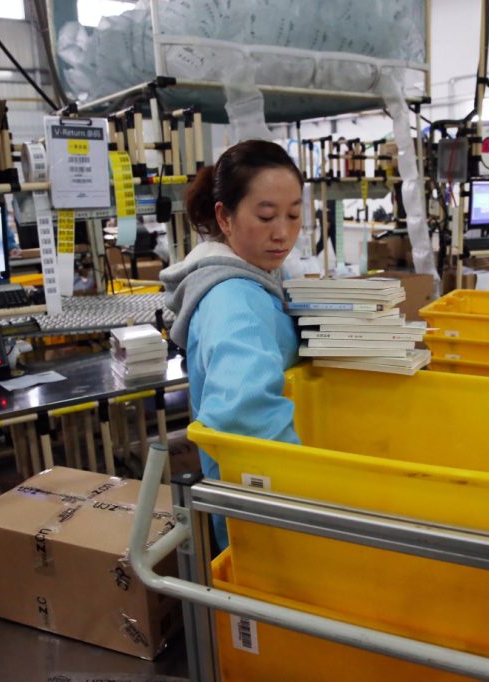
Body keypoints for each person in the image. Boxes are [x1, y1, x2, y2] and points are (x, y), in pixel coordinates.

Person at [160, 140, 304, 550]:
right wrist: (318, 489)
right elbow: (245, 414)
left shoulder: (264, 276)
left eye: (294, 215)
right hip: (266, 507)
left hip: (265, 497)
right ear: (224, 216)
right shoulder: (233, 299)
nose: (283, 233)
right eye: (266, 216)